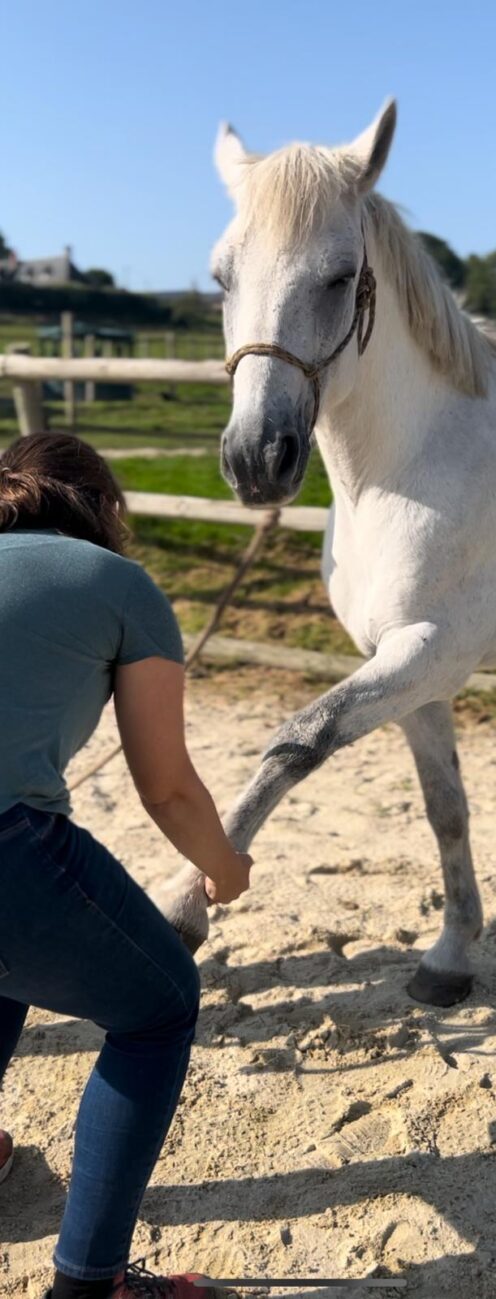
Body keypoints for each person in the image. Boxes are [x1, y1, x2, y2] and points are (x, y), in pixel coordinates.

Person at [0, 433, 252, 1299]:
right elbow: (169, 788)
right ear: (105, 510)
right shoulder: (120, 585)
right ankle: (91, 1286)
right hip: (8, 844)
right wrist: (223, 866)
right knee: (157, 1009)